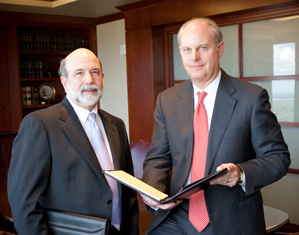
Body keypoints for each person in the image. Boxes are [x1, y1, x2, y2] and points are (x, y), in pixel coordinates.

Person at [141, 18, 291, 235]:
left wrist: (240, 173)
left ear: (219, 49)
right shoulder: (167, 100)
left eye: (203, 47)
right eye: (187, 49)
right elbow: (158, 158)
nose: (194, 57)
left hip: (230, 218)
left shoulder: (251, 98)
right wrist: (153, 191)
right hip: (177, 215)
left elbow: (278, 157)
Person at [7, 48, 139, 235]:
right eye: (79, 73)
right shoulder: (40, 125)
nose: (89, 80)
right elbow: (23, 202)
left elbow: (128, 194)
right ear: (64, 82)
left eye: (94, 72)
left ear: (102, 77)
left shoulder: (116, 125)